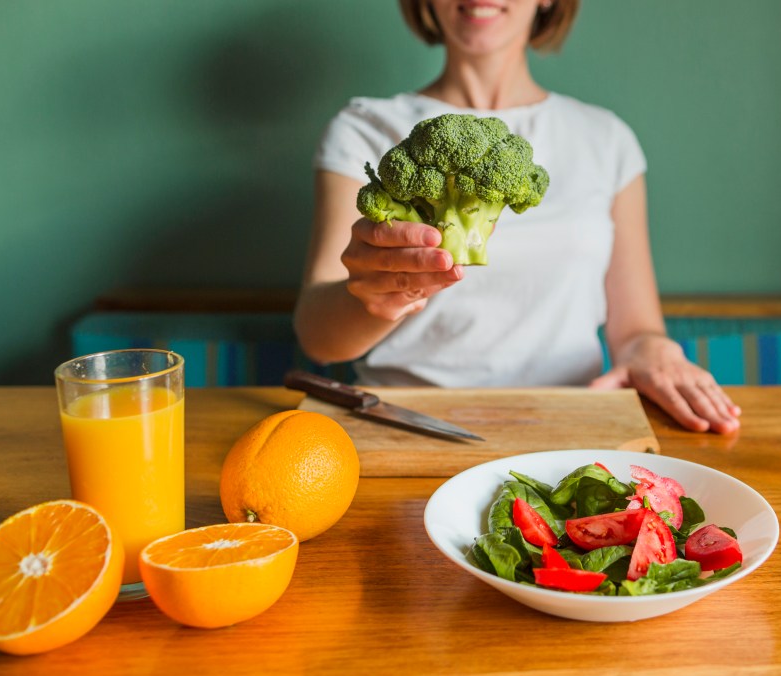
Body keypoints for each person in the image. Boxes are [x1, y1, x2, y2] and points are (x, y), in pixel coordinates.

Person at [293, 0, 741, 434]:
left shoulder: (606, 138)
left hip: (563, 425)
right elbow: (318, 337)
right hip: (403, 422)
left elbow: (637, 329)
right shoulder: (364, 127)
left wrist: (654, 352)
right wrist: (380, 296)